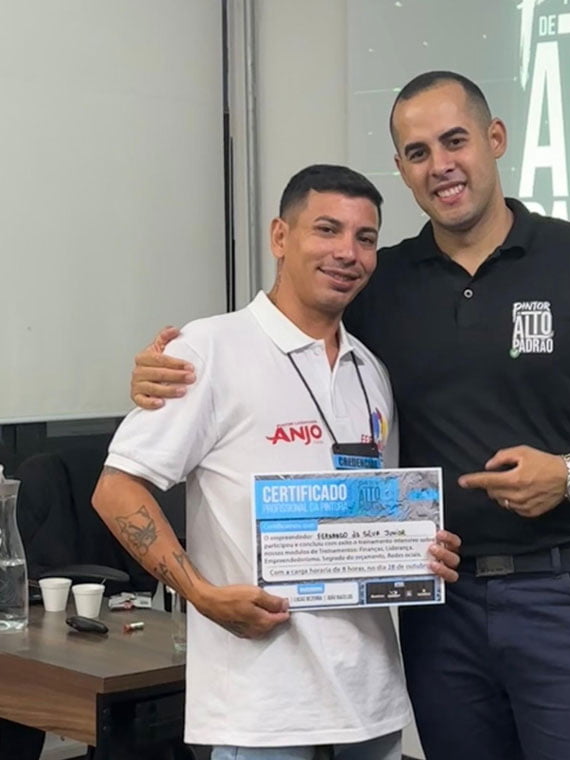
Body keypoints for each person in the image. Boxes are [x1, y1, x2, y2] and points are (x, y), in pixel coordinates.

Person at [130, 73, 570, 760]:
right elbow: (280, 333)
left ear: (495, 138)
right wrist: (165, 369)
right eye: (418, 152)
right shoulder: (379, 283)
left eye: (455, 141)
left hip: (567, 591)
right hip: (439, 606)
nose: (441, 166)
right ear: (401, 168)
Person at [93, 164, 461, 760]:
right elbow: (115, 490)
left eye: (365, 238)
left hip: (370, 708)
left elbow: (379, 515)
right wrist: (203, 596)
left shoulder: (371, 371)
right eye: (327, 230)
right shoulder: (208, 349)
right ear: (280, 237)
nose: (347, 253)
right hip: (262, 712)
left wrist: (421, 549)